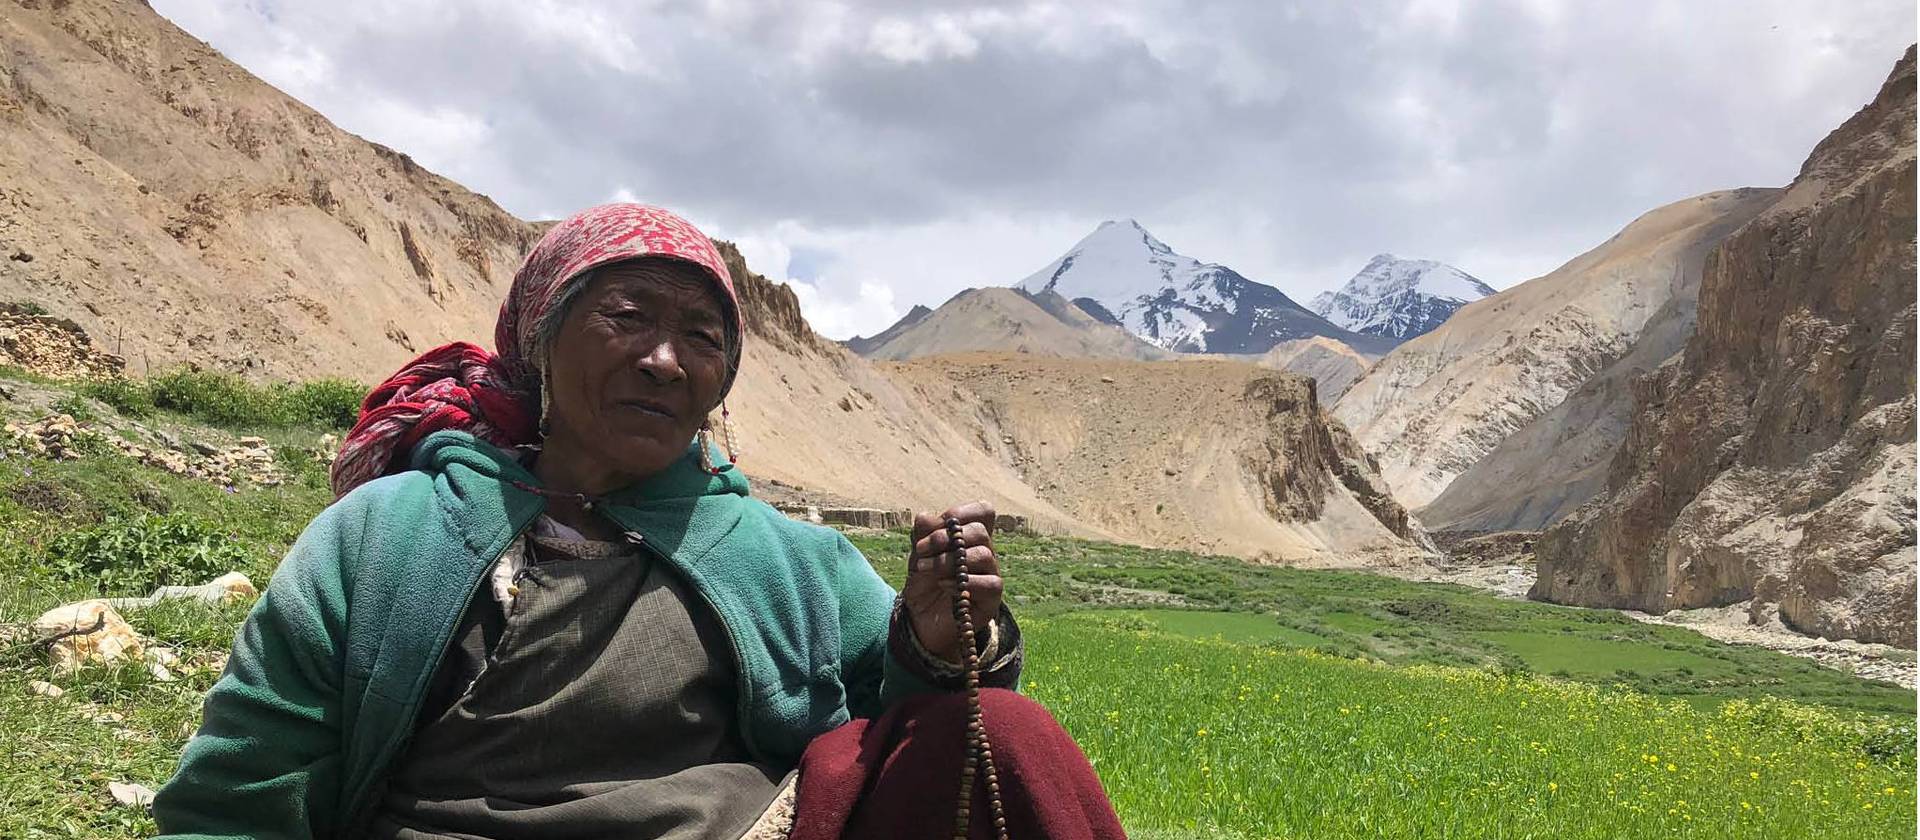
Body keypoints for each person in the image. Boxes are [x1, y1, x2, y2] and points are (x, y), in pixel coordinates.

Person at [151, 203, 1125, 840]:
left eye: (702, 337)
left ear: (721, 387)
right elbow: (240, 790)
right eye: (627, 317)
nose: (666, 359)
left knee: (999, 730)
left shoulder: (790, 557)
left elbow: (909, 709)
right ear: (541, 340)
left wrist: (942, 641)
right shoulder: (388, 537)